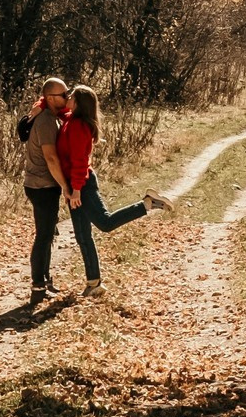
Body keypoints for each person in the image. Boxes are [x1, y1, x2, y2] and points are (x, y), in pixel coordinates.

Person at [52, 84, 172, 296]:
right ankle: (94, 283)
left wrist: (77, 189)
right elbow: (56, 107)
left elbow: (80, 161)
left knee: (105, 223)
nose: (66, 98)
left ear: (78, 102)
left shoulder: (78, 125)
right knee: (82, 234)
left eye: (71, 96)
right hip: (75, 184)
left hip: (82, 183)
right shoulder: (72, 119)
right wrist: (40, 104)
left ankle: (146, 204)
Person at [18, 78, 73, 301]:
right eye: (64, 94)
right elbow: (51, 158)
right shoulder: (47, 122)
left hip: (42, 184)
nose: (67, 97)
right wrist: (66, 187)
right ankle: (38, 287)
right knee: (43, 235)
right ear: (50, 98)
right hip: (42, 186)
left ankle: (45, 280)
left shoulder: (51, 117)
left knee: (48, 234)